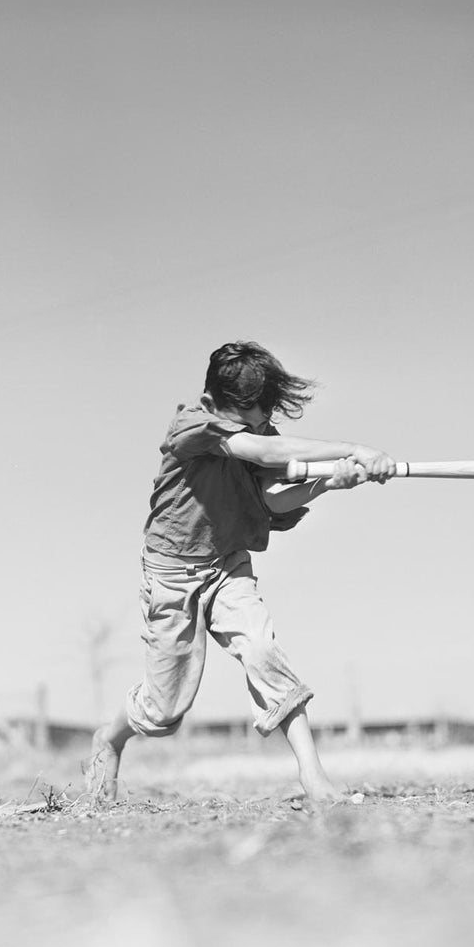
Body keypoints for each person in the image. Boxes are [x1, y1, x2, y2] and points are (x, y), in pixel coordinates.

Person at [85, 341, 396, 804]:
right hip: (172, 574)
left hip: (227, 565)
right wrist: (353, 448)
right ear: (217, 402)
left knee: (263, 650)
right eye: (250, 414)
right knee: (164, 711)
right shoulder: (193, 424)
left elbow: (272, 499)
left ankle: (312, 776)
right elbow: (264, 451)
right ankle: (108, 740)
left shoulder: (254, 427)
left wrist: (331, 481)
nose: (259, 422)